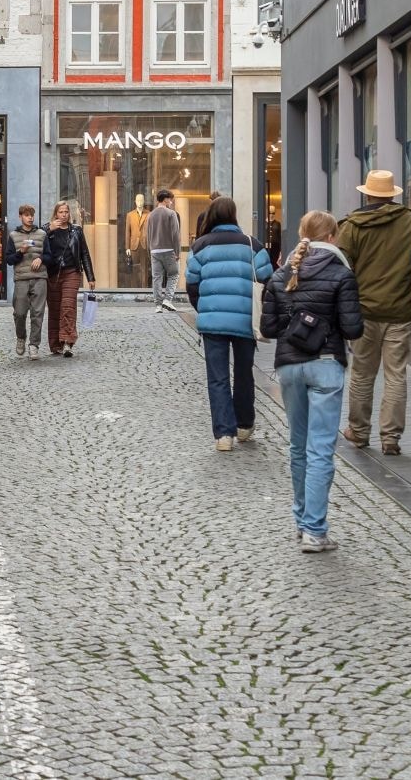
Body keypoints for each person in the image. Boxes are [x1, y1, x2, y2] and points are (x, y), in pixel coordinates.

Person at [260, 210, 363, 552]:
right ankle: (315, 531)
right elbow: (353, 329)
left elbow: (269, 329)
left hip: (289, 367)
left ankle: (303, 521)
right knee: (320, 449)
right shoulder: (341, 274)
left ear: (303, 234)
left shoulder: (280, 275)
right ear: (332, 238)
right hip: (324, 366)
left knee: (298, 446)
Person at [337, 170, 411, 456]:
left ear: (367, 194)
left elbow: (340, 269)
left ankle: (358, 432)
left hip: (364, 311)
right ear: (393, 194)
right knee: (396, 374)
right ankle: (391, 438)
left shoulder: (352, 226)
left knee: (362, 373)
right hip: (401, 312)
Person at [185, 197, 274, 450]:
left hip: (213, 322)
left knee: (218, 377)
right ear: (234, 215)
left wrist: (202, 308)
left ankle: (224, 434)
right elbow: (267, 280)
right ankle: (244, 424)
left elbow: (192, 284)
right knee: (244, 373)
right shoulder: (252, 246)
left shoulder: (200, 246)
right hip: (245, 320)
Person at [42, 200, 95, 356]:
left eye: (66, 212)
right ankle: (55, 344)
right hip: (53, 274)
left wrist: (90, 276)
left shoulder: (76, 231)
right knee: (55, 309)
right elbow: (37, 243)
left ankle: (67, 342)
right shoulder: (47, 229)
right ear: (55, 214)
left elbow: (84, 253)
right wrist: (48, 230)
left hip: (72, 272)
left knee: (68, 306)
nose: (64, 215)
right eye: (61, 212)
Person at [2, 203, 47, 357]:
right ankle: (21, 337)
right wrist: (20, 252)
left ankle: (34, 345)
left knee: (38, 313)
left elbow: (50, 255)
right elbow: (8, 259)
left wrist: (41, 259)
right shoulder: (13, 236)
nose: (30, 218)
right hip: (21, 278)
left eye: (32, 215)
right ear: (20, 217)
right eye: (27, 215)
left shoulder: (42, 234)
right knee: (20, 313)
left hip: (40, 277)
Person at [146, 190, 183, 311]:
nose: (171, 202)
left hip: (154, 251)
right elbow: (175, 235)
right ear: (165, 199)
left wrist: (149, 251)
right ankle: (167, 300)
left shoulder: (150, 215)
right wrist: (177, 252)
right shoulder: (171, 214)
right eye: (170, 199)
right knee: (174, 274)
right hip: (169, 249)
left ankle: (157, 305)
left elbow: (148, 235)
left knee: (157, 277)